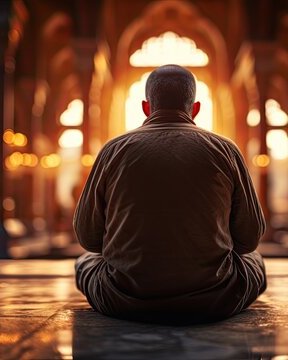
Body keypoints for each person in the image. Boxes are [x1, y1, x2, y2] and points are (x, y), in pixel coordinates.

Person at [74, 64, 266, 323]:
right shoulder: (225, 150)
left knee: (85, 261)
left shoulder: (113, 150)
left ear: (146, 107)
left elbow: (89, 238)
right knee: (255, 260)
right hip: (215, 298)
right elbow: (249, 238)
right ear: (195, 109)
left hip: (122, 298)